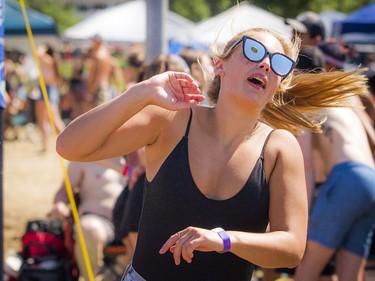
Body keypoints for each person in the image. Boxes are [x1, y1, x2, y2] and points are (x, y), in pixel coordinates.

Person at [56, 27, 369, 281]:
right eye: (254, 51)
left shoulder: (279, 147)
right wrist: (141, 93)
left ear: (279, 85)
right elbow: (69, 146)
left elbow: (291, 247)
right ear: (220, 65)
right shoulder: (171, 121)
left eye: (278, 63)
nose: (264, 64)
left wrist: (225, 240)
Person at [293, 41, 375, 281]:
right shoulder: (344, 98)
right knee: (350, 276)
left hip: (347, 179)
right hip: (370, 179)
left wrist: (303, 215)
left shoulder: (309, 104)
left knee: (305, 273)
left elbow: (306, 167)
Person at [48, 157, 127, 281]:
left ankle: (116, 275)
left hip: (128, 223)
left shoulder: (132, 156)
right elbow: (63, 192)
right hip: (98, 221)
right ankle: (89, 278)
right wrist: (60, 205)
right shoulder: (84, 158)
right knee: (88, 228)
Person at [36, 43, 66, 152]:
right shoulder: (52, 61)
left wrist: (43, 47)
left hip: (48, 89)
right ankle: (45, 145)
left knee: (52, 119)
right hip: (47, 89)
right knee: (46, 120)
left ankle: (66, 142)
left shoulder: (49, 60)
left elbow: (38, 53)